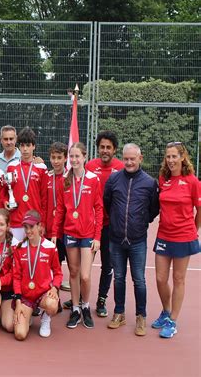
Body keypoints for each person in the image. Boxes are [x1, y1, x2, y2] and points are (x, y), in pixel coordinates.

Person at [104, 143, 159, 336]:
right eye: (125, 159)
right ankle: (119, 313)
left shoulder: (150, 183)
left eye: (132, 159)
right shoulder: (113, 179)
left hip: (137, 240)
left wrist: (142, 221)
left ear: (140, 159)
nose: (128, 162)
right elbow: (107, 202)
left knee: (139, 280)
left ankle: (141, 316)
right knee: (118, 278)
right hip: (116, 239)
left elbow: (154, 209)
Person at [52, 142, 103, 329]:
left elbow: (99, 208)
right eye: (71, 156)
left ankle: (86, 305)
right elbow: (59, 210)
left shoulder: (93, 179)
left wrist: (97, 237)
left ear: (84, 157)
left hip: (88, 233)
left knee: (85, 275)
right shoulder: (64, 179)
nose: (74, 160)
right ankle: (75, 308)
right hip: (69, 232)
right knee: (73, 272)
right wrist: (54, 234)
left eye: (77, 156)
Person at [152, 142, 200, 339]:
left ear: (182, 157)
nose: (171, 160)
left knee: (178, 279)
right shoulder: (163, 179)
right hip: (164, 234)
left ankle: (173, 321)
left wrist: (193, 229)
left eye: (174, 156)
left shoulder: (192, 181)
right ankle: (166, 311)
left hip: (184, 236)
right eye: (168, 157)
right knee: (160, 279)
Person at [85, 131, 124, 317]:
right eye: (102, 147)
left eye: (109, 147)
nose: (105, 150)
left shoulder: (122, 168)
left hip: (110, 226)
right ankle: (80, 299)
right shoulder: (90, 166)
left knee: (107, 265)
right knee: (83, 265)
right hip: (90, 225)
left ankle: (101, 300)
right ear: (98, 148)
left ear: (114, 149)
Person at [13, 210, 62, 340]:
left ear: (40, 226)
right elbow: (16, 277)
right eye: (25, 227)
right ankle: (28, 315)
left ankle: (46, 317)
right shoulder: (19, 248)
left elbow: (58, 273)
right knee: (20, 335)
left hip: (43, 294)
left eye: (31, 227)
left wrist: (54, 288)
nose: (28, 231)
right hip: (26, 297)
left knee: (52, 304)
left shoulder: (50, 247)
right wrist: (18, 301)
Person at [6, 127, 48, 241]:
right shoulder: (11, 167)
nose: (25, 149)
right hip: (16, 221)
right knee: (15, 255)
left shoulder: (41, 168)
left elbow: (44, 199)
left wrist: (42, 222)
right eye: (22, 145)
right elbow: (7, 193)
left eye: (28, 145)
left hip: (34, 222)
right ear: (19, 146)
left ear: (33, 146)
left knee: (33, 256)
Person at [45, 142, 69, 296]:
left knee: (73, 267)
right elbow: (42, 202)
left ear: (65, 158)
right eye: (53, 157)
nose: (56, 161)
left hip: (66, 229)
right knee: (52, 265)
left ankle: (78, 302)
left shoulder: (70, 178)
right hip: (49, 228)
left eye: (59, 157)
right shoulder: (46, 177)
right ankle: (54, 298)